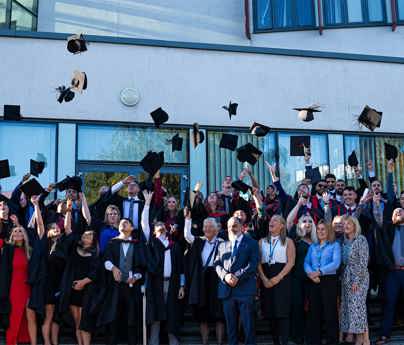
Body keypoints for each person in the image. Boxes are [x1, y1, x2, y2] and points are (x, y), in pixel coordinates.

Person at [142, 191, 185, 345]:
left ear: (167, 229)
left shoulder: (175, 246)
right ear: (154, 232)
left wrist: (181, 285)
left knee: (172, 316)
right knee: (156, 316)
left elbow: (181, 268)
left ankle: (173, 342)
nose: (160, 229)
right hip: (155, 284)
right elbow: (144, 224)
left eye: (163, 227)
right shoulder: (152, 244)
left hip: (173, 284)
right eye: (157, 228)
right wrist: (147, 204)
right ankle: (153, 342)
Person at [0, 196, 45, 345]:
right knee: (14, 317)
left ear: (24, 235)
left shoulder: (29, 251)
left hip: (28, 288)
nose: (18, 233)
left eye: (21, 231)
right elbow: (5, 273)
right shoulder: (8, 250)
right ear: (12, 235)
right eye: (16, 232)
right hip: (13, 289)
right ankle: (11, 342)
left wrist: (35, 206)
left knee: (29, 317)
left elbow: (40, 229)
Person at [96, 217, 147, 345]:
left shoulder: (137, 244)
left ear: (132, 228)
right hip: (114, 287)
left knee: (131, 318)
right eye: (121, 223)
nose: (123, 224)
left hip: (132, 287)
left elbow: (141, 266)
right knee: (113, 317)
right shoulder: (112, 243)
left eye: (127, 223)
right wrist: (113, 268)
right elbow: (105, 260)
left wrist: (135, 277)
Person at [58, 199, 99, 345]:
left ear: (93, 240)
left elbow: (94, 274)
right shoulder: (75, 247)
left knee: (84, 323)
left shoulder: (94, 254)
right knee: (77, 323)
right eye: (84, 235)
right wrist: (68, 211)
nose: (85, 236)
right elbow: (68, 229)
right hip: (72, 289)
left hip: (86, 291)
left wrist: (83, 282)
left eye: (89, 235)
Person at [214, 216, 259, 345]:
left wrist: (237, 276)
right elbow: (217, 263)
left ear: (241, 227)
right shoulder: (222, 245)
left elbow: (253, 263)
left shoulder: (251, 243)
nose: (231, 229)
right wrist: (225, 276)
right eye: (229, 226)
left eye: (234, 225)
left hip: (245, 290)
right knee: (230, 329)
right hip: (227, 291)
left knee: (248, 327)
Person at [184, 210, 225, 345]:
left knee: (219, 315)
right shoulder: (199, 241)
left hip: (218, 278)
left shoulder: (223, 242)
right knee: (203, 316)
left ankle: (219, 343)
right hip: (202, 280)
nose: (207, 229)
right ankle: (204, 343)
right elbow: (187, 236)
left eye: (210, 226)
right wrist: (188, 220)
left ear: (216, 229)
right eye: (205, 227)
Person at [258, 215, 295, 345]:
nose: (271, 222)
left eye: (275, 220)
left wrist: (277, 278)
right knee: (270, 312)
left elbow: (291, 262)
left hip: (282, 280)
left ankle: (284, 341)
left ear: (282, 226)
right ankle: (275, 342)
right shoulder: (262, 241)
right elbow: (258, 262)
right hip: (266, 279)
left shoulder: (288, 241)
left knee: (282, 312)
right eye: (270, 220)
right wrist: (264, 279)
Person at [304, 220, 341, 345]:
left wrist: (319, 272)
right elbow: (306, 262)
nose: (320, 231)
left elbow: (336, 263)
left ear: (329, 231)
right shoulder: (312, 246)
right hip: (314, 281)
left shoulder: (335, 245)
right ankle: (315, 341)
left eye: (323, 229)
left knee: (330, 313)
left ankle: (332, 341)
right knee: (314, 313)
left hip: (328, 281)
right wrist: (311, 274)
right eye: (318, 229)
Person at [339, 216, 370, 345]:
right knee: (349, 307)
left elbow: (363, 263)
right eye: (344, 224)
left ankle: (363, 339)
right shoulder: (343, 242)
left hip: (359, 277)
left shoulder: (361, 240)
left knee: (358, 307)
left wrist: (356, 281)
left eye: (349, 224)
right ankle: (356, 336)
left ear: (355, 225)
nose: (346, 226)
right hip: (346, 277)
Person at [376, 208, 404, 345]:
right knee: (390, 303)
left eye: (401, 211)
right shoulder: (387, 229)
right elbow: (378, 219)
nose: (398, 212)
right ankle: (384, 335)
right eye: (395, 212)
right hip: (393, 272)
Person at [289, 215, 317, 345]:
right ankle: (297, 337)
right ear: (299, 224)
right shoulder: (295, 240)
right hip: (297, 280)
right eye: (304, 221)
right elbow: (288, 221)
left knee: (313, 310)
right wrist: (300, 203)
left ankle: (311, 337)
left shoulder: (318, 242)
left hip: (314, 280)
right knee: (298, 308)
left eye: (310, 221)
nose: (307, 223)